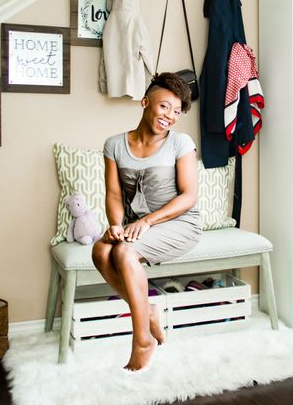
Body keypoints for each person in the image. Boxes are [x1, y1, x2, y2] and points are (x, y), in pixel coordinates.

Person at [91, 72, 201, 372]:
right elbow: (113, 193)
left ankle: (142, 340)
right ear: (145, 102)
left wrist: (147, 222)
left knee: (124, 252)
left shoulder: (181, 143)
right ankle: (148, 310)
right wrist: (115, 224)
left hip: (179, 223)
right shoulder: (114, 145)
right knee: (101, 251)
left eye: (177, 111)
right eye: (165, 106)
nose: (170, 116)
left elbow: (189, 197)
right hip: (135, 225)